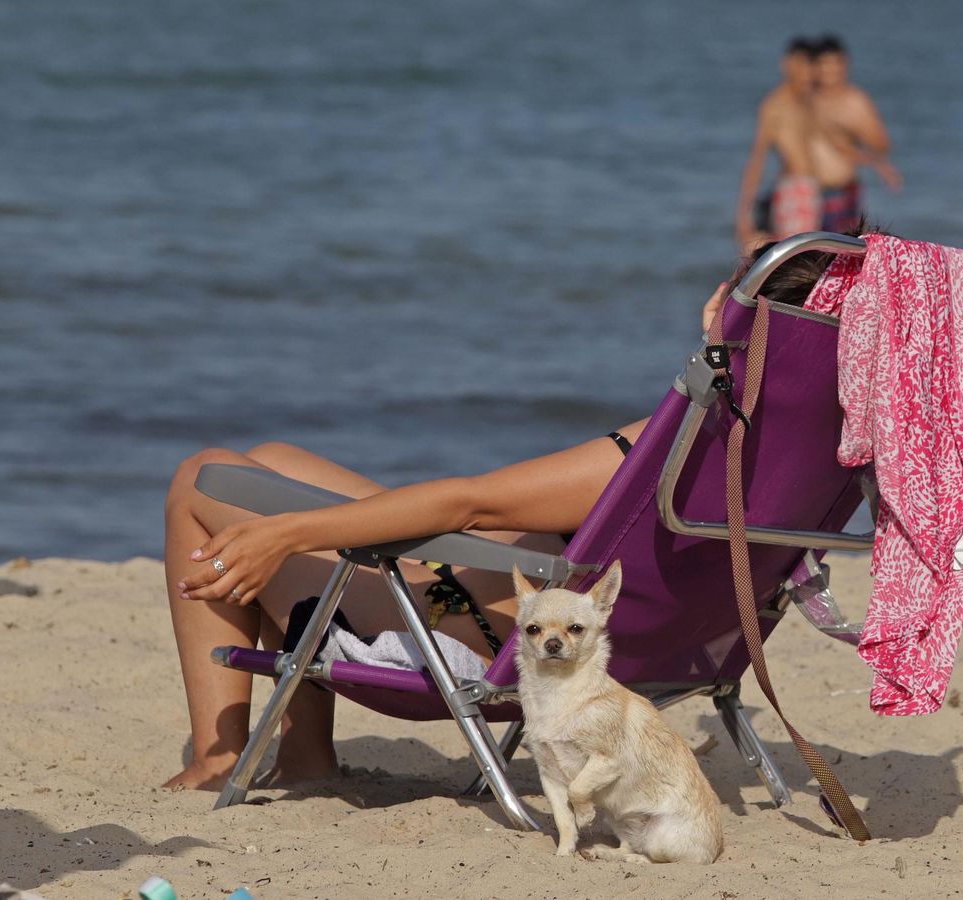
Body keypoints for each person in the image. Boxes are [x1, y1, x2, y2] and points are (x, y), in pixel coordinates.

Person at [159, 236, 861, 791]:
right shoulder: (822, 455)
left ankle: (220, 758)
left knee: (205, 480)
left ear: (734, 316)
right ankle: (307, 754)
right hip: (656, 650)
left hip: (468, 627)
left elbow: (467, 501)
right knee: (275, 459)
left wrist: (284, 536)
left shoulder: (670, 447)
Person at [734, 38, 824, 249]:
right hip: (795, 191)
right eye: (800, 64)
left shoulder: (810, 100)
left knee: (812, 257)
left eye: (810, 65)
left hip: (813, 191)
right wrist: (743, 213)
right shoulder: (775, 105)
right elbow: (758, 158)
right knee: (797, 258)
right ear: (787, 64)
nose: (806, 72)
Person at [808, 35, 901, 234]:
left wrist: (849, 128)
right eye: (824, 63)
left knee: (835, 255)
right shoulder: (807, 98)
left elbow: (882, 143)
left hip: (840, 192)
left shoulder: (855, 100)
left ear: (845, 64)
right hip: (807, 193)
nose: (829, 69)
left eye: (835, 63)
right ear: (814, 67)